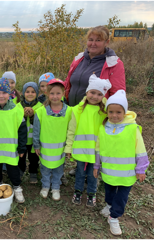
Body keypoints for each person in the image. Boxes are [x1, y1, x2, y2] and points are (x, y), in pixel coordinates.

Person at [64, 25, 126, 176]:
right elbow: (69, 81)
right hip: (76, 108)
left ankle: (93, 171)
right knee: (80, 137)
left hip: (98, 111)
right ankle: (81, 166)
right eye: (90, 39)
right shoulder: (79, 59)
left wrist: (113, 113)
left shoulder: (114, 64)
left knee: (94, 140)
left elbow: (118, 91)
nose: (93, 43)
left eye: (98, 40)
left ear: (107, 42)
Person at [93, 90, 149, 236]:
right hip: (108, 171)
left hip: (127, 174)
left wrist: (141, 169)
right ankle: (109, 205)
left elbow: (140, 150)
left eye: (118, 112)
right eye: (111, 111)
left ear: (125, 112)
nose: (114, 115)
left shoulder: (132, 129)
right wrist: (97, 166)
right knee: (109, 191)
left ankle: (114, 217)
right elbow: (98, 149)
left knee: (122, 196)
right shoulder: (103, 127)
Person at [65, 75, 112, 207]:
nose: (95, 96)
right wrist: (69, 147)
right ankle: (78, 192)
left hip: (96, 151)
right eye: (92, 92)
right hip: (81, 150)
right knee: (80, 173)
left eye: (99, 94)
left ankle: (92, 194)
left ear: (103, 96)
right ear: (87, 92)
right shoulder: (78, 110)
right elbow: (71, 130)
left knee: (93, 174)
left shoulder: (105, 112)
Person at [33, 79, 72, 200]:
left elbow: (71, 131)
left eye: (58, 93)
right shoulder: (40, 112)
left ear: (63, 93)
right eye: (52, 93)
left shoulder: (69, 111)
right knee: (45, 169)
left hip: (60, 150)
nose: (55, 96)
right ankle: (45, 186)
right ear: (47, 94)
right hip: (45, 150)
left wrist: (69, 147)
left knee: (58, 170)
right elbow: (36, 130)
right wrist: (36, 145)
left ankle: (55, 187)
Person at [16, 82, 42, 183]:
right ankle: (20, 171)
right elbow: (16, 121)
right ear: (23, 93)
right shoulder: (18, 106)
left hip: (34, 140)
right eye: (27, 92)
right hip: (21, 139)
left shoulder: (40, 107)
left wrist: (32, 115)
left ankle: (33, 172)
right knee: (21, 157)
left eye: (33, 92)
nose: (30, 94)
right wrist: (23, 114)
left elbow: (41, 121)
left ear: (37, 94)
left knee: (34, 158)